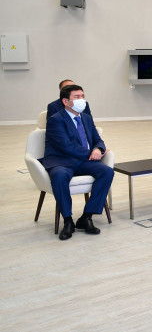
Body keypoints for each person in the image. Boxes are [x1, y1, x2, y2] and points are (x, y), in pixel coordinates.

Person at [42, 85, 113, 240]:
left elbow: (97, 139)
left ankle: (86, 217)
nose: (82, 100)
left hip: (83, 161)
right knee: (59, 176)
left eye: (82, 96)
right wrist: (92, 153)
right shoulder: (56, 120)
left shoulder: (86, 118)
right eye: (77, 97)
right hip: (62, 161)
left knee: (107, 171)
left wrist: (98, 148)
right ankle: (68, 220)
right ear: (65, 101)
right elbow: (66, 146)